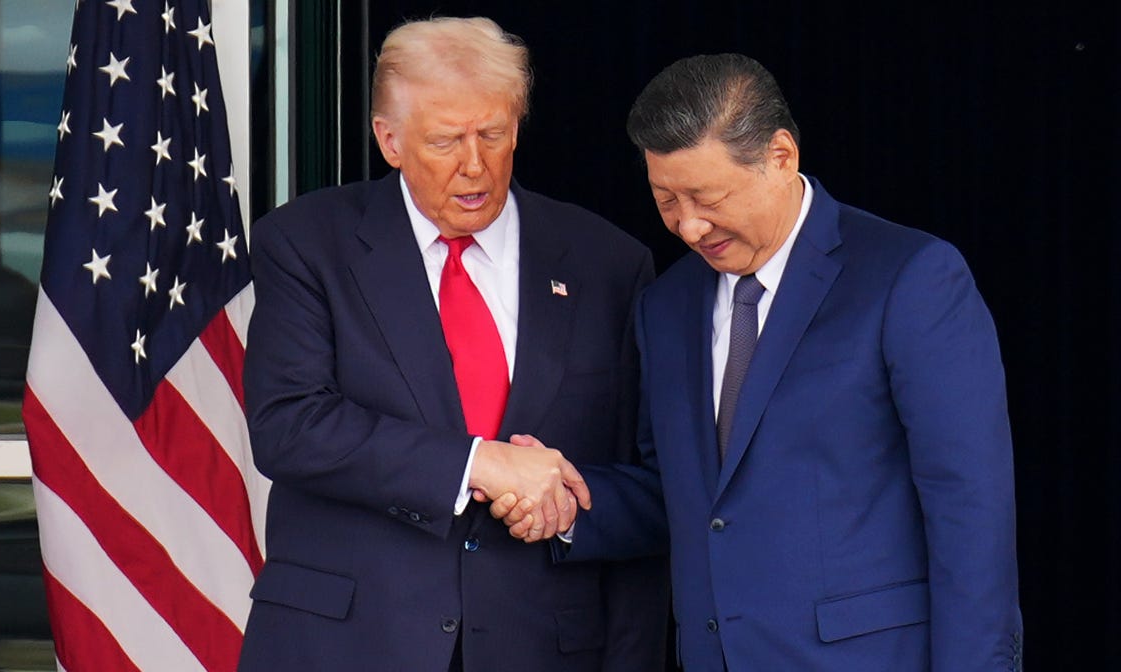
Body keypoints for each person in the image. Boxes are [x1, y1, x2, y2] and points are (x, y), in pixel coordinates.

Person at [495, 53, 1023, 671]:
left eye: (706, 196)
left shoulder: (909, 278)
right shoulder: (665, 307)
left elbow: (971, 511)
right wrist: (564, 502)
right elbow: (682, 495)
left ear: (780, 156)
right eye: (666, 199)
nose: (689, 226)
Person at [237, 16, 668, 672]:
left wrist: (567, 512)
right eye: (444, 141)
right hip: (347, 646)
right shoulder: (305, 244)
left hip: (542, 649)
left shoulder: (607, 263)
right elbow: (289, 426)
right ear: (389, 140)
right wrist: (478, 465)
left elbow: (653, 489)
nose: (474, 165)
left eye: (492, 134)